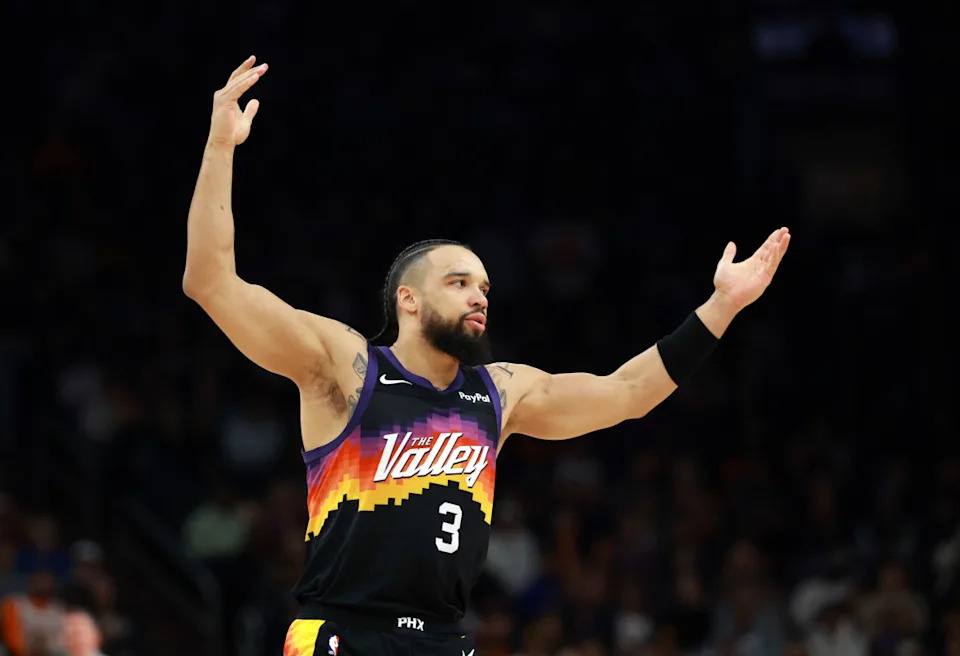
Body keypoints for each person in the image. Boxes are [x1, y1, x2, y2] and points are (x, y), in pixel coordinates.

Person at [182, 56, 791, 656]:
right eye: (459, 282)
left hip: (445, 638)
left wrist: (722, 307)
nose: (479, 296)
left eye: (485, 288)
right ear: (409, 300)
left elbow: (628, 394)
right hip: (343, 633)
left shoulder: (500, 392)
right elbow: (210, 282)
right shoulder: (345, 365)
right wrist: (219, 148)